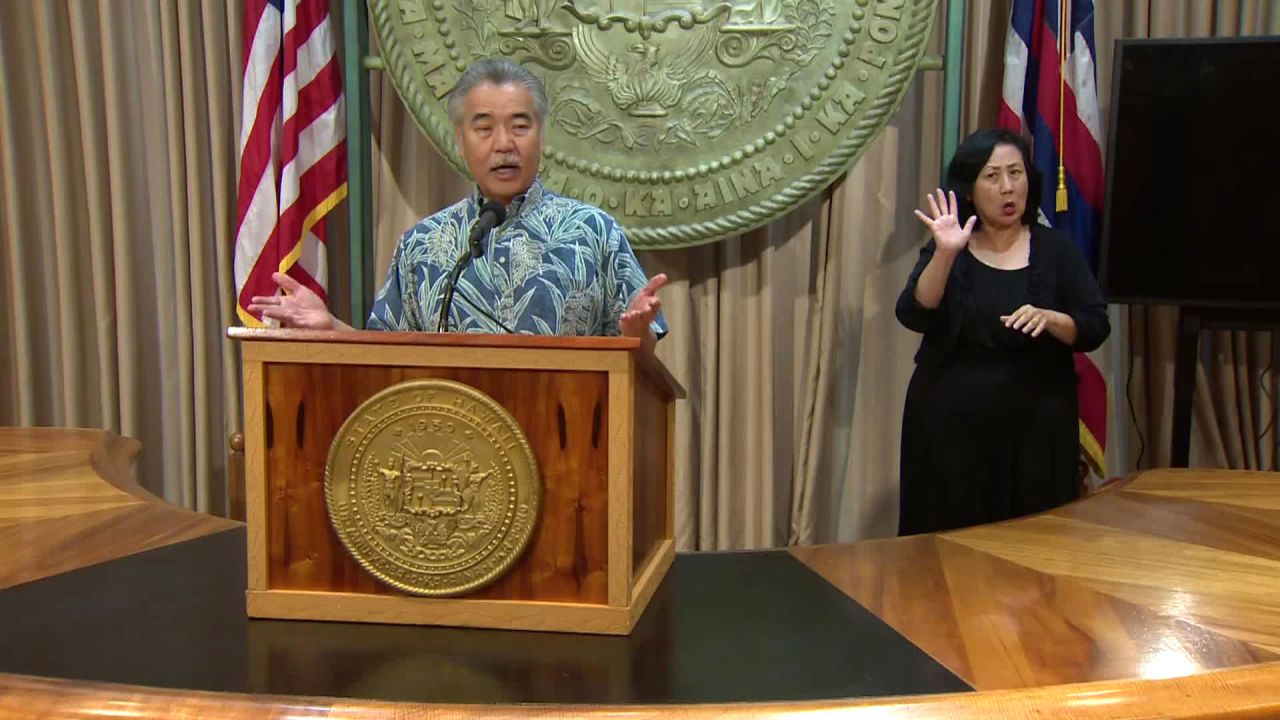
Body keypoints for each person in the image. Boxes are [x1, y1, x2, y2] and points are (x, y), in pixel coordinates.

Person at [248, 58, 667, 352]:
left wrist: (636, 335)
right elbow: (387, 353)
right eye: (484, 128)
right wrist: (332, 329)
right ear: (460, 143)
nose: (504, 144)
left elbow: (639, 361)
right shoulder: (422, 245)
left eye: (520, 126)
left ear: (542, 137)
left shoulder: (592, 232)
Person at [895, 128, 1109, 535]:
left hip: (1037, 429)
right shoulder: (951, 246)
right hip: (950, 429)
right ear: (970, 189)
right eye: (992, 176)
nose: (1008, 187)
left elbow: (1095, 325)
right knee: (949, 548)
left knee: (1032, 544)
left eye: (1016, 173)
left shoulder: (1056, 250)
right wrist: (944, 253)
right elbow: (913, 313)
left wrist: (1052, 319)